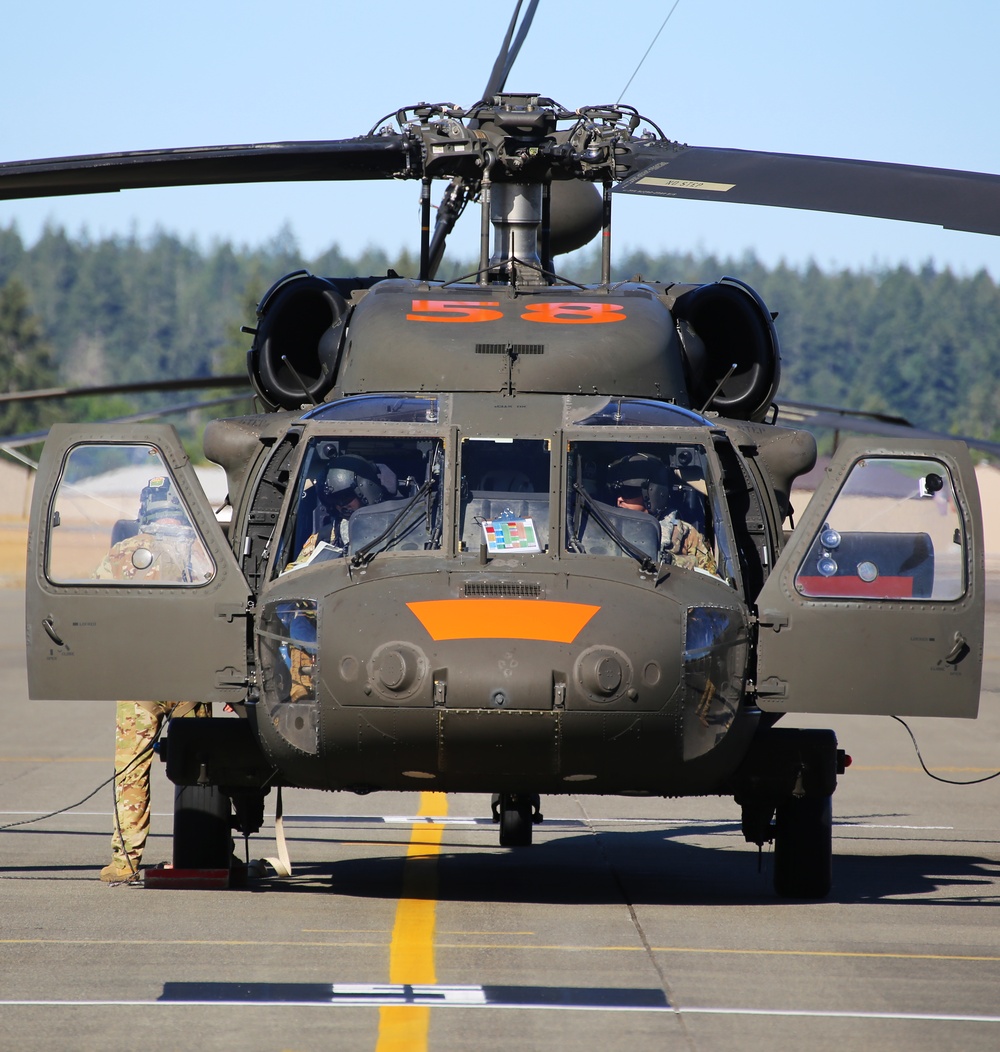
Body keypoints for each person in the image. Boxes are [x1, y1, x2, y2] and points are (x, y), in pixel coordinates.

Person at [93, 476, 214, 882]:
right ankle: (206, 851)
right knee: (202, 771)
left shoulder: (124, 552)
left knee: (131, 769)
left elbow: (94, 609)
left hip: (140, 676)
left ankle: (125, 862)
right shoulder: (208, 553)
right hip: (193, 676)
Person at [606, 452, 717, 574]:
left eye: (629, 492)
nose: (620, 499)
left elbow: (710, 578)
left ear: (652, 494)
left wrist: (671, 562)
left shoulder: (686, 534)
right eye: (617, 491)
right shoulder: (603, 526)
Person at [284, 454, 388, 570]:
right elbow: (294, 572)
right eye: (335, 500)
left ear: (365, 491)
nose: (341, 506)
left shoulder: (396, 525)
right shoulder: (325, 536)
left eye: (346, 498)